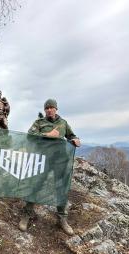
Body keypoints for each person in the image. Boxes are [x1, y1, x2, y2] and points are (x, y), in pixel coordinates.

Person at [18, 98, 81, 234]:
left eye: (52, 107)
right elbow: (30, 135)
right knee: (35, 186)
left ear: (56, 109)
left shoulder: (63, 123)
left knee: (61, 188)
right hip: (42, 160)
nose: (49, 110)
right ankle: (26, 215)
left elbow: (71, 135)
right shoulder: (39, 123)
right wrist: (48, 135)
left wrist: (75, 140)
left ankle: (62, 219)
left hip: (60, 160)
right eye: (47, 108)